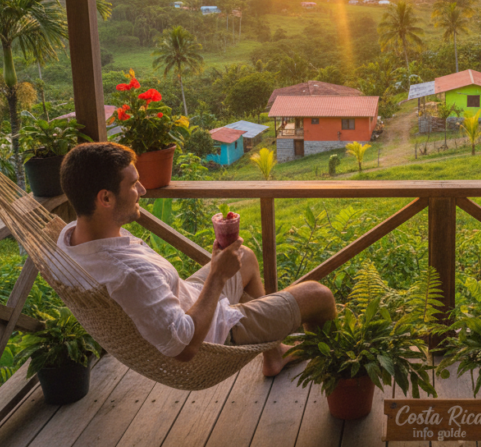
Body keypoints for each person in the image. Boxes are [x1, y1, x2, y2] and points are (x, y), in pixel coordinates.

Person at [58, 142, 335, 376]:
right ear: (105, 198)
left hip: (188, 298)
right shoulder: (130, 275)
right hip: (214, 331)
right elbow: (185, 346)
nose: (142, 191)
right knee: (319, 295)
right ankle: (341, 373)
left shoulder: (71, 238)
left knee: (245, 257)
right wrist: (217, 276)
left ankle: (273, 355)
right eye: (133, 184)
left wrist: (219, 271)